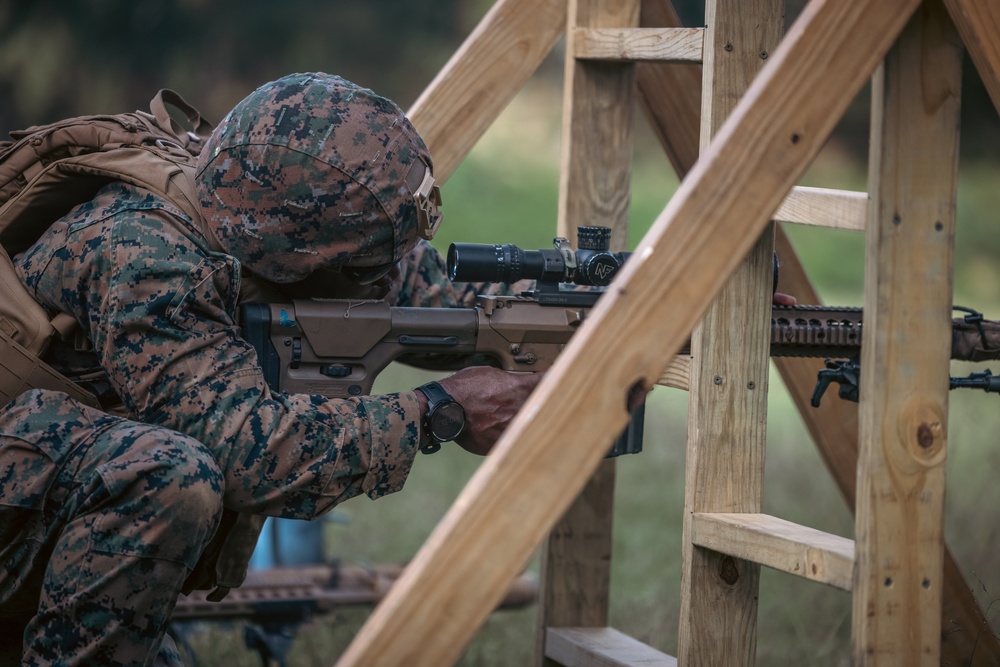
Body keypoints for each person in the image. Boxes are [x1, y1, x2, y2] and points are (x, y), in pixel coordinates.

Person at [0, 72, 540, 665]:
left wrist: (570, 311)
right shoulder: (145, 255)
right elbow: (248, 452)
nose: (388, 280)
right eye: (368, 268)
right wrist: (436, 411)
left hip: (37, 501)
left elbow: (422, 297)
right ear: (290, 252)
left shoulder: (253, 208)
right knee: (167, 474)